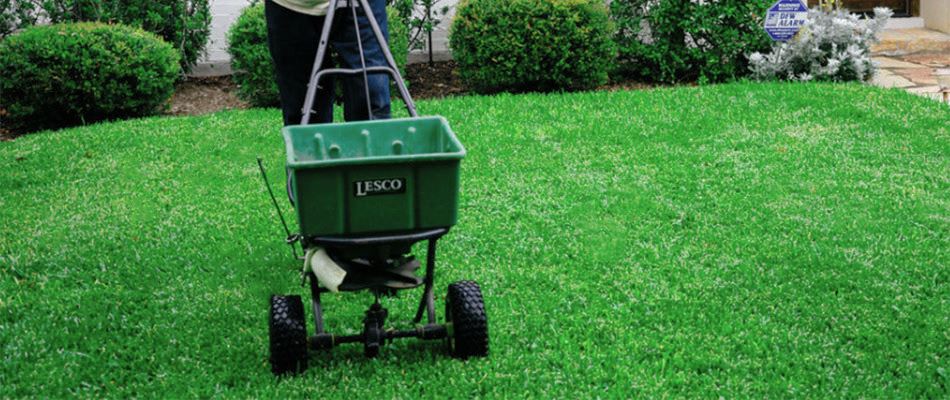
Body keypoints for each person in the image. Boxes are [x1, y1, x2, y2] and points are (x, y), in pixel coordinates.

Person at [265, 0, 392, 126]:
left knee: (371, 105)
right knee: (303, 112)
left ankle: (372, 144)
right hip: (289, 5)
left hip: (361, 4)